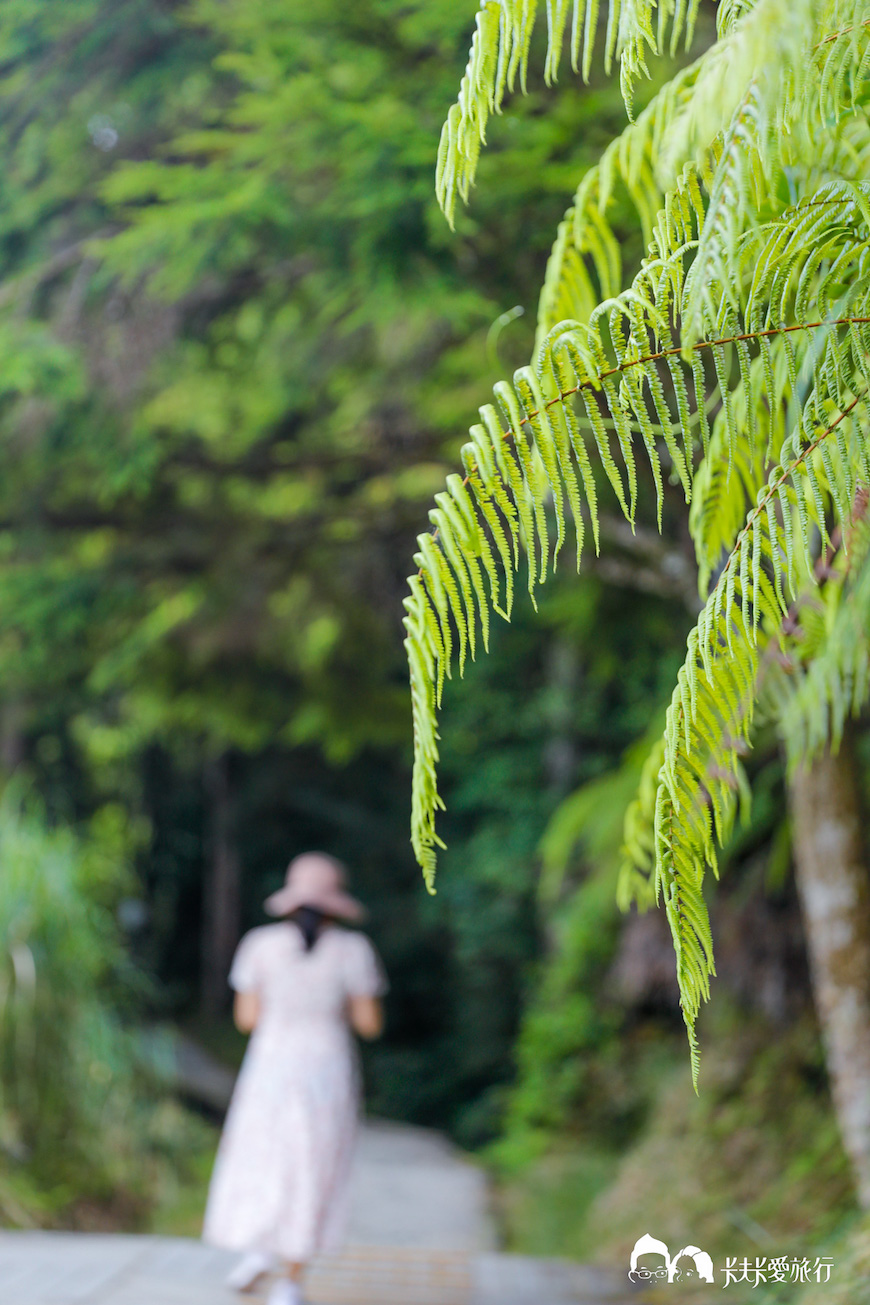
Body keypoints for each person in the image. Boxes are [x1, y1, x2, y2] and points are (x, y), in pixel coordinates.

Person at [202, 852, 387, 1305]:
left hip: (271, 1066)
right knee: (313, 1166)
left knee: (263, 1156)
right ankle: (292, 1281)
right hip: (326, 1070)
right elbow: (370, 1024)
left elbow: (247, 1018)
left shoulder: (260, 946)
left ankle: (259, 1248)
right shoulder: (353, 951)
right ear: (335, 903)